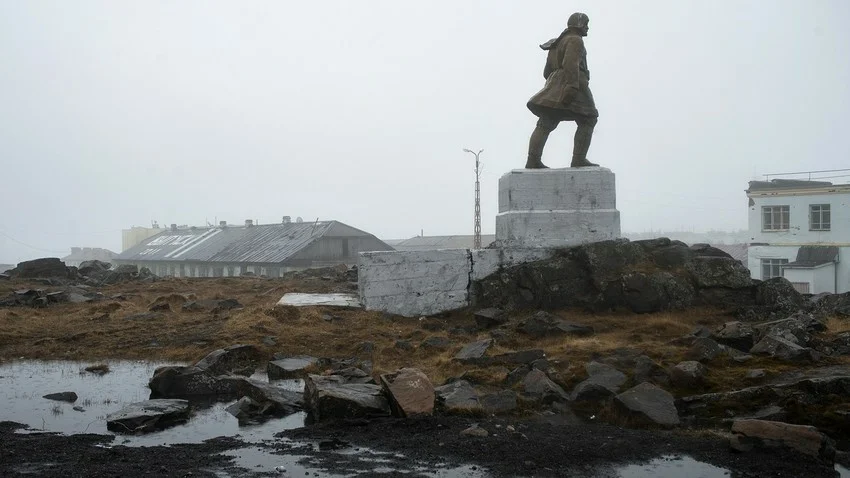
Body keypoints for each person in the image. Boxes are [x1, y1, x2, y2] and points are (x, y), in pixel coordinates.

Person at [525, 12, 599, 169]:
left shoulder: (557, 42)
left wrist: (555, 84)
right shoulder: (575, 40)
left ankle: (533, 160)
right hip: (574, 83)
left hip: (555, 84)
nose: (587, 27)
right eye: (585, 23)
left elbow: (547, 72)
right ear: (578, 24)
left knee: (546, 122)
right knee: (589, 118)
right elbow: (571, 65)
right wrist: (572, 87)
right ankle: (578, 159)